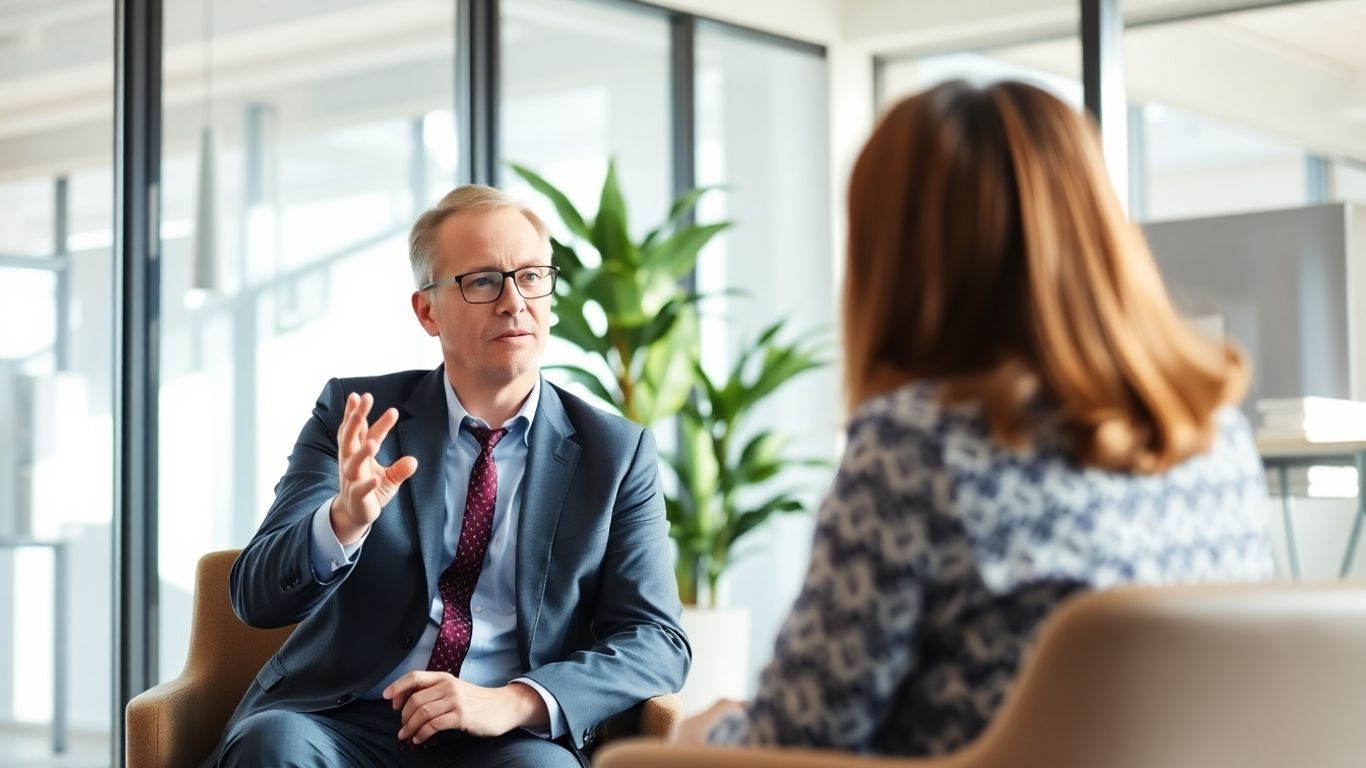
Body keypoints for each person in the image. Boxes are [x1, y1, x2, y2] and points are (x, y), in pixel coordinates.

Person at [676, 79, 1274, 757]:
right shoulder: (1218, 440)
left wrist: (700, 735)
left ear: (894, 259)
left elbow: (797, 748)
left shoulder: (921, 449)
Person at [211, 185, 690, 767]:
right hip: (343, 720)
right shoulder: (355, 415)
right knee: (274, 746)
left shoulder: (614, 452)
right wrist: (342, 522)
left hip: (506, 732)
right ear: (427, 310)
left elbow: (657, 640)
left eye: (532, 276)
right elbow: (255, 597)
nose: (515, 302)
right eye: (483, 281)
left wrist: (516, 701)